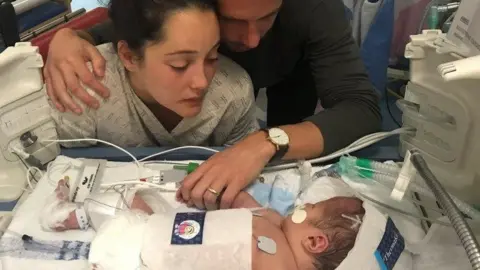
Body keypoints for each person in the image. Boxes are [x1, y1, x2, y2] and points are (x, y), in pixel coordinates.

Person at [44, 0, 382, 210]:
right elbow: (140, 23)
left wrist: (265, 142)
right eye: (234, 20)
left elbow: (361, 108)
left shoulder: (312, 11)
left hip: (286, 85)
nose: (251, 39)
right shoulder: (97, 85)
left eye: (268, 17)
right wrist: (69, 38)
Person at [48, 0, 259, 148]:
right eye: (180, 64)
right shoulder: (84, 87)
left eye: (212, 57)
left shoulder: (233, 92)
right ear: (129, 57)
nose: (202, 82)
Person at [41, 179, 365, 270]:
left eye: (308, 210)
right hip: (159, 230)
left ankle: (65, 213)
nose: (303, 204)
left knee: (117, 212)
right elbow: (241, 203)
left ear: (314, 242)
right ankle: (74, 212)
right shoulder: (275, 221)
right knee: (139, 197)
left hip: (144, 260)